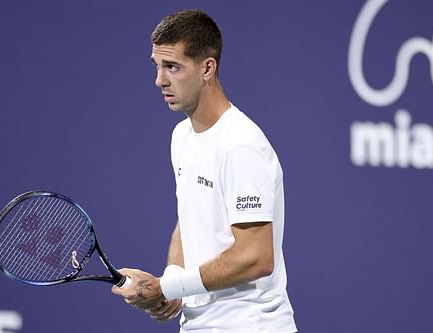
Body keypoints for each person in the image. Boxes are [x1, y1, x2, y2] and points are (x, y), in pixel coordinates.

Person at [112, 9, 297, 333]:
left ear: (207, 68)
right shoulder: (181, 136)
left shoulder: (241, 146)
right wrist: (171, 279)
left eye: (172, 67)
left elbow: (256, 256)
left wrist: (169, 288)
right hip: (199, 325)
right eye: (157, 66)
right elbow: (191, 217)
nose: (159, 80)